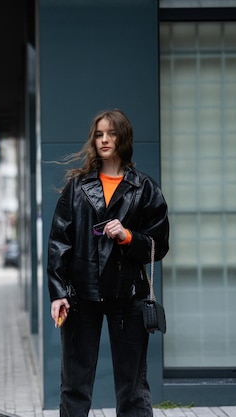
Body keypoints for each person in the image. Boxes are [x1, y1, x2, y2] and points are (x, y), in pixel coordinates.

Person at [47, 109, 169, 417]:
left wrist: (128, 236)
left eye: (111, 133)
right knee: (74, 383)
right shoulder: (77, 187)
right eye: (99, 134)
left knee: (132, 386)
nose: (104, 140)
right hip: (81, 295)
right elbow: (59, 242)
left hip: (128, 295)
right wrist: (58, 292)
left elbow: (160, 244)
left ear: (123, 138)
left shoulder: (144, 187)